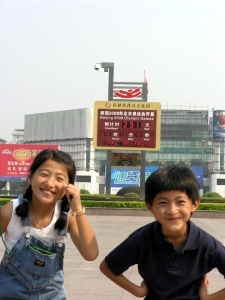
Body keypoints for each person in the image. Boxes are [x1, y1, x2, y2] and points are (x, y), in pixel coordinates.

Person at [100, 164, 225, 299]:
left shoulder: (207, 245)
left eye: (180, 201)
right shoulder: (142, 239)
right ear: (150, 207)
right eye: (163, 203)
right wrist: (138, 291)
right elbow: (108, 266)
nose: (172, 210)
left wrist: (208, 298)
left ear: (194, 204)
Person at [0, 149, 98, 299]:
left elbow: (90, 254)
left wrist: (78, 209)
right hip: (10, 293)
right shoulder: (10, 211)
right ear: (31, 176)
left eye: (59, 178)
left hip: (52, 295)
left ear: (68, 186)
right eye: (44, 174)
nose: (50, 183)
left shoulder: (67, 216)